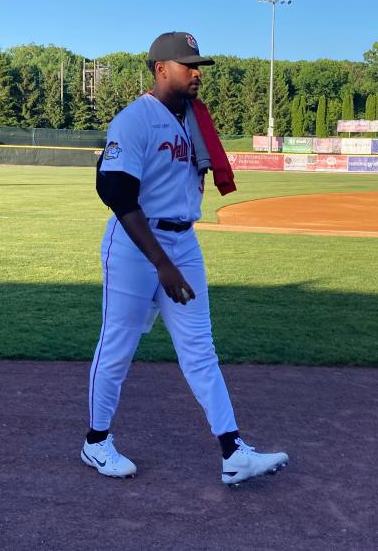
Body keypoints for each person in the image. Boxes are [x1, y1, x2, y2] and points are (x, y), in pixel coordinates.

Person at [83, 31, 288, 485]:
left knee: (200, 349)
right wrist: (161, 263)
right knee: (118, 345)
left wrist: (172, 257)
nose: (197, 73)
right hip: (137, 244)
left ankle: (233, 451)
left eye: (198, 66)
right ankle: (96, 442)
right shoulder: (135, 120)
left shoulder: (194, 119)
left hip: (183, 241)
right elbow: (115, 193)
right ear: (161, 69)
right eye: (188, 65)